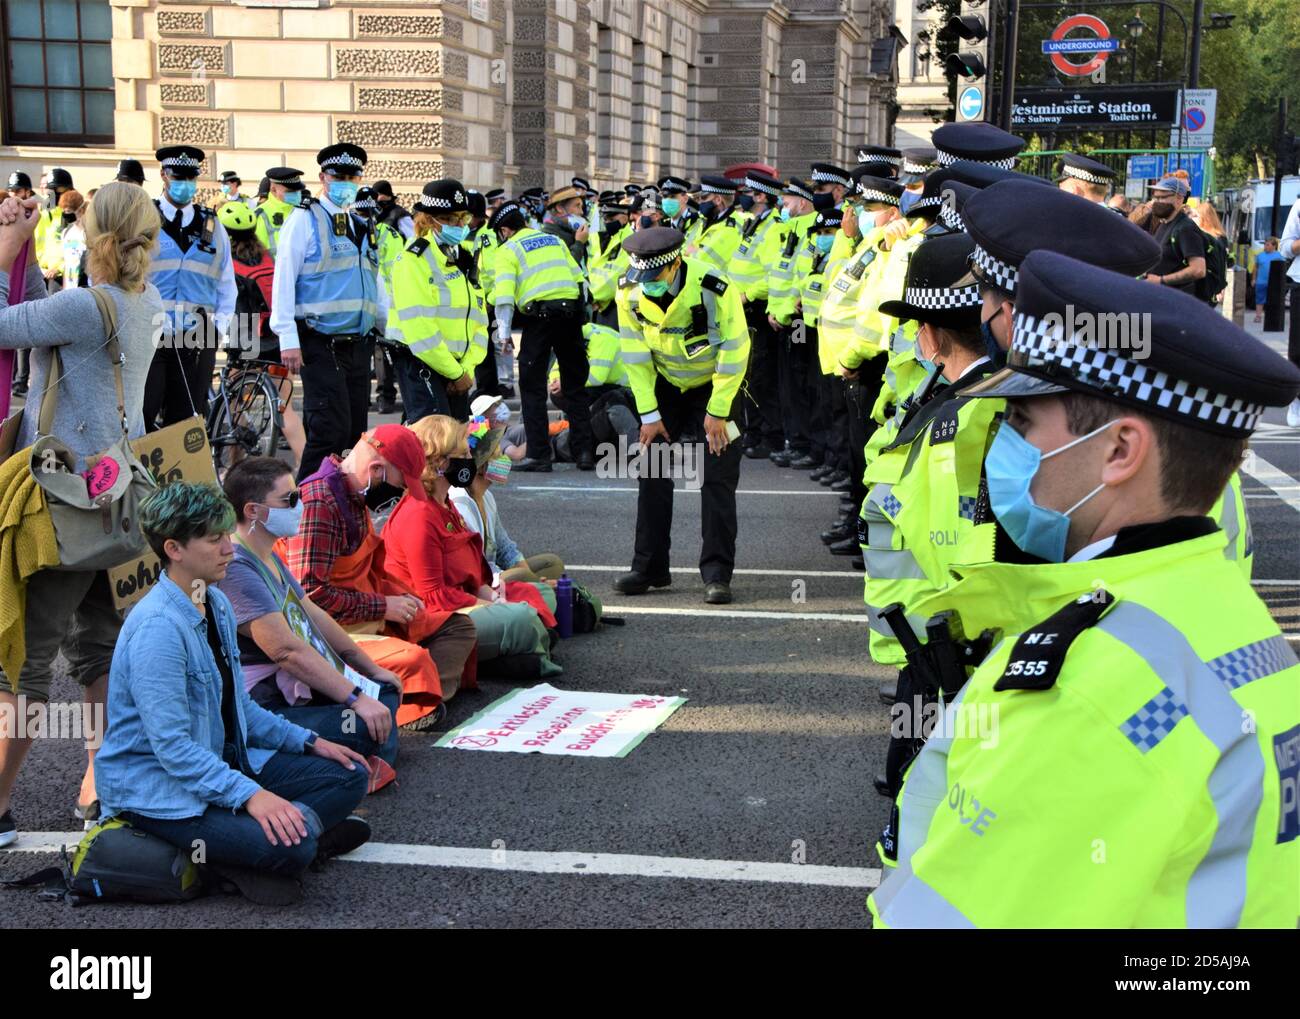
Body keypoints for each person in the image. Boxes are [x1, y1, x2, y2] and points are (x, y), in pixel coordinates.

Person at [868, 250, 1300, 928]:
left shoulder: (1084, 692)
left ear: (1121, 451)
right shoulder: (1233, 616)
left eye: (1022, 423)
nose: (1003, 448)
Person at [96, 482, 372, 905]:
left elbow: (238, 706)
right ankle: (276, 850)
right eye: (214, 539)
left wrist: (310, 742)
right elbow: (172, 749)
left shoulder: (215, 603)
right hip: (160, 792)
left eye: (227, 535)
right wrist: (251, 795)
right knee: (291, 845)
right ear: (174, 548)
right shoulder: (158, 630)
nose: (229, 547)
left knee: (350, 772)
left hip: (216, 764)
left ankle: (281, 845)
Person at [0, 182, 163, 848]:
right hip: (120, 498)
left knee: (22, 661)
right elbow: (43, 311)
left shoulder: (86, 308)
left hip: (66, 502)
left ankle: (0, 806)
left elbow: (11, 325)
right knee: (99, 649)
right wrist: (30, 250)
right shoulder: (143, 300)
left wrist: (7, 244)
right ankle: (103, 791)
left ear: (93, 235)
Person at [219, 458, 401, 788]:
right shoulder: (236, 568)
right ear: (253, 511)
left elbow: (312, 613)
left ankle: (360, 761)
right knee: (360, 722)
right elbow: (286, 651)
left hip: (294, 689)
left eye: (298, 495)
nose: (300, 505)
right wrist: (356, 698)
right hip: (263, 708)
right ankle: (349, 763)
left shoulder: (267, 554)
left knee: (385, 690)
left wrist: (367, 669)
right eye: (289, 499)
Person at [280, 423, 477, 727]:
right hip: (333, 633)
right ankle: (405, 699)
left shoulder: (352, 495)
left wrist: (397, 597)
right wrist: (383, 606)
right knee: (415, 659)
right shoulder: (320, 502)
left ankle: (409, 691)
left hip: (368, 615)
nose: (398, 496)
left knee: (456, 625)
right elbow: (311, 597)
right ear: (376, 469)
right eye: (399, 486)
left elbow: (367, 572)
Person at [615, 226, 750, 605]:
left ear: (675, 265)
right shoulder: (629, 289)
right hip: (665, 384)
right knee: (653, 471)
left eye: (654, 278)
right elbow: (636, 357)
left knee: (717, 478)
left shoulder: (713, 286)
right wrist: (649, 414)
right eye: (643, 279)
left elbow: (736, 351)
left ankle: (717, 574)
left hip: (715, 384)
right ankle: (650, 567)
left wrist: (718, 411)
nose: (647, 286)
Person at [385, 416, 561, 679]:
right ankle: (494, 655)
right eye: (464, 453)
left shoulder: (444, 503)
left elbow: (477, 572)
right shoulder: (419, 515)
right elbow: (433, 597)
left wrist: (491, 598)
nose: (470, 458)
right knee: (521, 617)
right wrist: (489, 604)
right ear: (442, 462)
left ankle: (502, 653)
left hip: (462, 600)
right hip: (438, 619)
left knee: (539, 595)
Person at [270, 144, 382, 481]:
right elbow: (284, 278)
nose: (346, 183)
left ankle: (342, 507)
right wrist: (287, 336)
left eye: (353, 176)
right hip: (320, 340)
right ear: (323, 178)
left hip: (357, 343)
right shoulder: (305, 218)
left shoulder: (361, 224)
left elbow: (374, 283)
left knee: (354, 435)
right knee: (328, 429)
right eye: (339, 176)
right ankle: (306, 503)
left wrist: (388, 328)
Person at [491, 198, 594, 471]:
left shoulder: (508, 249)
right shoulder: (554, 240)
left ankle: (538, 454)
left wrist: (503, 335)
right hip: (570, 315)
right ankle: (583, 451)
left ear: (504, 231)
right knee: (576, 386)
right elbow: (579, 277)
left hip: (540, 319)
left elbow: (503, 297)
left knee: (533, 388)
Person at [146, 144, 237, 429]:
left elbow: (226, 283)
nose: (185, 184)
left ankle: (181, 476)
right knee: (142, 416)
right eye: (178, 177)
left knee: (186, 424)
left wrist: (217, 329)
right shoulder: (144, 220)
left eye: (190, 178)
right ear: (163, 175)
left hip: (196, 340)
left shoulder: (212, 225)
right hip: (151, 336)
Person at [387, 180, 488, 422]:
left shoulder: (463, 257)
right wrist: (455, 373)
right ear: (428, 220)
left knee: (455, 445)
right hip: (421, 363)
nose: (460, 225)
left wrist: (467, 368)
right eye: (450, 219)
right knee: (435, 447)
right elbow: (420, 329)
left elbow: (479, 319)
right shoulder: (413, 260)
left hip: (457, 367)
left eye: (462, 218)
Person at [219, 201, 306, 468]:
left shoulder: (226, 262)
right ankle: (307, 467)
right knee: (286, 406)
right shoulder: (269, 254)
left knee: (235, 401)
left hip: (245, 338)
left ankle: (235, 465)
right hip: (275, 336)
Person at [449, 422, 566, 584]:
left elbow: (505, 547)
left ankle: (534, 589)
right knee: (527, 579)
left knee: (552, 563)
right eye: (497, 455)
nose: (504, 459)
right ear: (482, 467)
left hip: (496, 571)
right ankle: (535, 591)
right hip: (482, 579)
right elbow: (477, 565)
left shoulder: (487, 496)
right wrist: (535, 582)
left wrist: (529, 576)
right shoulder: (461, 503)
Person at [726, 171, 785, 459]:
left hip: (757, 309)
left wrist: (747, 294)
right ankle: (752, 430)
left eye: (748, 193)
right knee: (746, 374)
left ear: (761, 196)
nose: (743, 197)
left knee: (760, 377)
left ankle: (769, 435)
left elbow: (773, 272)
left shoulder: (773, 228)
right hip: (740, 309)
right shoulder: (753, 224)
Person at [1143, 174, 1207, 296]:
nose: (1157, 202)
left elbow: (1199, 269)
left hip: (1177, 301)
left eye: (1163, 197)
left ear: (1179, 199)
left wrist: (1161, 280)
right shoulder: (1164, 223)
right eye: (1155, 197)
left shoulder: (1185, 228)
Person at [35, 167, 74, 294]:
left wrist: (59, 268)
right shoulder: (46, 211)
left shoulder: (74, 214)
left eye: (58, 189)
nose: (54, 193)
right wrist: (38, 266)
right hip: (43, 273)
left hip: (64, 275)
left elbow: (78, 247)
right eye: (51, 189)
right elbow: (40, 241)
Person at [253, 166, 305, 258]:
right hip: (273, 271)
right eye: (290, 191)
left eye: (298, 190)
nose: (296, 194)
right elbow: (255, 254)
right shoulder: (259, 215)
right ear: (273, 190)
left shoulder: (303, 212)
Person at [57, 190, 86, 290]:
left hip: (84, 286)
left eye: (68, 211)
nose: (66, 214)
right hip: (68, 286)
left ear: (81, 210)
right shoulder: (66, 232)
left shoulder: (88, 233)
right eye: (64, 211)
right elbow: (66, 261)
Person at [1254, 236, 1284, 324]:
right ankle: (1258, 316)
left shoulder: (1279, 256)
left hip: (1273, 283)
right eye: (1265, 245)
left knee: (1273, 300)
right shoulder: (1260, 255)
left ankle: (1272, 317)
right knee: (1259, 299)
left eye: (1268, 245)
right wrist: (1253, 279)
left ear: (1274, 246)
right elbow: (1255, 268)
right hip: (1261, 282)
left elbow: (1282, 269)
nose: (1265, 247)